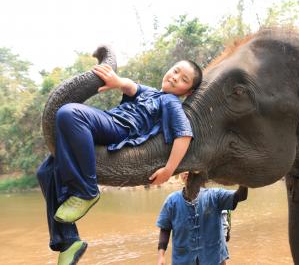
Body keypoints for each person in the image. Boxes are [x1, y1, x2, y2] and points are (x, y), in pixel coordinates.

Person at [37, 60, 202, 265]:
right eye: (175, 71)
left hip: (121, 128)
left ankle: (86, 190)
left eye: (183, 79)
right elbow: (130, 86)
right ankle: (68, 241)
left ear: (188, 91)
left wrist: (169, 170)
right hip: (108, 120)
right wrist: (116, 81)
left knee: (70, 113)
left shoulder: (170, 101)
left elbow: (184, 135)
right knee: (46, 170)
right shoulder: (151, 91)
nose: (175, 77)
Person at [156, 172, 248, 265]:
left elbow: (241, 196)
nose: (187, 172)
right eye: (183, 169)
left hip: (213, 258)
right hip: (183, 260)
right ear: (179, 175)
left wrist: (243, 177)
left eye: (191, 169)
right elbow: (165, 229)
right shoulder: (172, 201)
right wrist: (161, 256)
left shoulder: (214, 196)